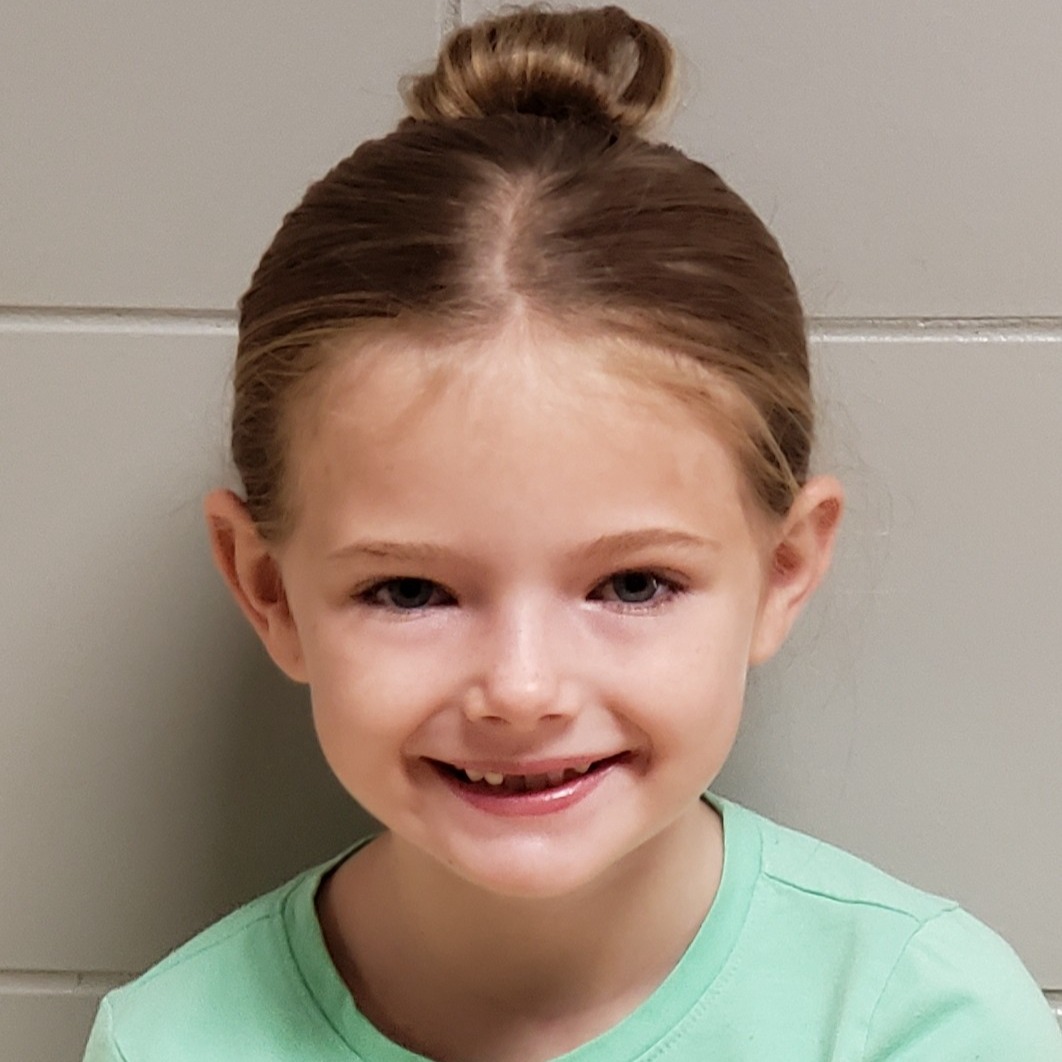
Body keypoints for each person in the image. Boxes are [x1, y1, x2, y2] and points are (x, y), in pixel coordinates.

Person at [83, 6, 1062, 1060]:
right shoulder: (170, 1042)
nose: (522, 690)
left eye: (634, 585)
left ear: (784, 569)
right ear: (267, 591)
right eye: (409, 591)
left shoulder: (919, 1023)